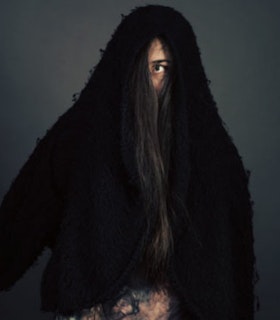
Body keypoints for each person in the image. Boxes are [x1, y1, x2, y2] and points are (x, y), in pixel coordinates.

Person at [0, 5, 257, 320]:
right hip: (95, 309)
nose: (154, 82)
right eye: (148, 66)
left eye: (164, 68)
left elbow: (237, 256)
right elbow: (24, 216)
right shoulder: (80, 134)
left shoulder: (212, 152)